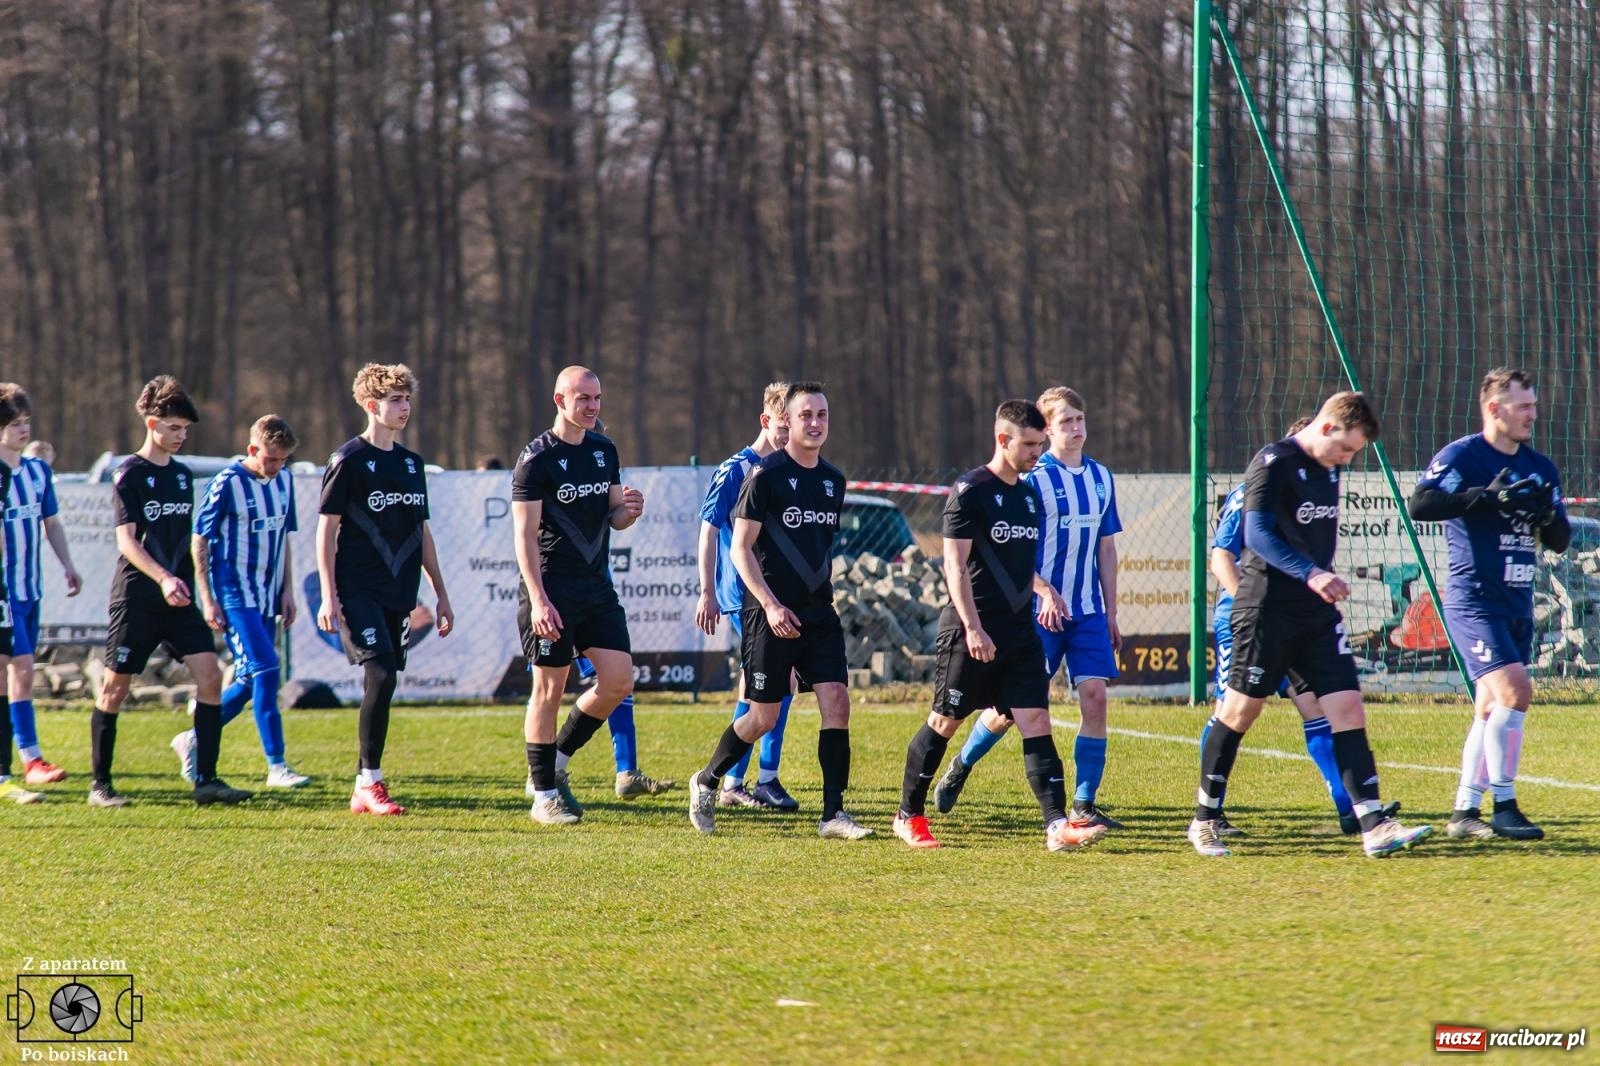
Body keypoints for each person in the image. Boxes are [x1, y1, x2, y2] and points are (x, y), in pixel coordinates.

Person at [1188, 391, 1432, 858]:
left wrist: (1319, 579)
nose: (1348, 459)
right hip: (1265, 611)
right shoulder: (1273, 461)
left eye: (1354, 452)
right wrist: (1312, 572)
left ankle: (1373, 825)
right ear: (1325, 427)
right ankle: (1204, 820)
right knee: (1240, 712)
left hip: (1316, 615)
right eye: (1345, 448)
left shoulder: (1331, 468)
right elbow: (1257, 534)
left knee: (1346, 710)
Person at [892, 400, 1107, 852]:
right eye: (1029, 444)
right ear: (1003, 440)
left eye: (1039, 443)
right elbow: (954, 564)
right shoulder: (970, 490)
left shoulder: (1029, 497)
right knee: (945, 721)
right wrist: (972, 628)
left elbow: (1023, 567)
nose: (1036, 452)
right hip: (970, 630)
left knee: (1035, 720)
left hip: (1019, 633)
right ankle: (908, 815)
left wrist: (1040, 594)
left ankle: (1056, 826)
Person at [686, 382, 871, 839]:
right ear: (786, 421)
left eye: (822, 415)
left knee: (837, 702)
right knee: (762, 717)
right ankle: (708, 780)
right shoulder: (763, 477)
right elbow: (741, 550)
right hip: (767, 615)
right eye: (806, 414)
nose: (815, 423)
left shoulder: (834, 480)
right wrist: (769, 605)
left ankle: (833, 815)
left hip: (817, 613)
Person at [933, 386, 1123, 827]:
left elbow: (1107, 551)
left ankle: (1083, 805)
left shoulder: (1101, 478)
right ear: (1046, 429)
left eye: (1080, 419)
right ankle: (961, 764)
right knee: (1008, 711)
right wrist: (1042, 591)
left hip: (1087, 611)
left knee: (1094, 698)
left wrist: (1111, 612)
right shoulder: (1033, 480)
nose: (1076, 429)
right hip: (1036, 614)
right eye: (1065, 422)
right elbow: (1011, 555)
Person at [1409, 367, 1569, 841]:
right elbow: (1420, 505)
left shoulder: (1540, 466)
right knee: (1516, 691)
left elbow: (1558, 539)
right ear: (1494, 409)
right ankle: (1504, 804)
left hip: (1516, 601)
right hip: (1472, 598)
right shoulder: (1463, 455)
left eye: (1534, 405)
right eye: (1523, 406)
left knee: (1488, 707)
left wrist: (1545, 514)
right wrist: (1484, 498)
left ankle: (1463, 811)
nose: (1532, 414)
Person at [93, 376, 249, 808]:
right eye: (174, 428)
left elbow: (185, 540)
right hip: (138, 597)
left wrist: (192, 587)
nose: (181, 437)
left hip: (177, 599)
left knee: (211, 677)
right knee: (114, 689)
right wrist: (162, 577)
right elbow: (127, 541)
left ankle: (208, 780)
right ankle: (101, 786)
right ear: (151, 423)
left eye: (185, 430)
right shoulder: (130, 474)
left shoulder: (182, 477)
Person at [317, 363, 455, 816]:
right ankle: (371, 782)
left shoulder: (412, 464)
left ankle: (362, 783)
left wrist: (440, 592)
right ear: (372, 406)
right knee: (380, 674)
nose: (405, 408)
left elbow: (422, 533)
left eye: (407, 399)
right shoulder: (348, 460)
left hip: (400, 591)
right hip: (357, 589)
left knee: (386, 680)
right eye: (396, 400)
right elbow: (326, 531)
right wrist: (327, 594)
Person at [512, 366, 643, 825]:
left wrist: (629, 510)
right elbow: (524, 537)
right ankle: (543, 795)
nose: (592, 406)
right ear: (559, 400)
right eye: (583, 398)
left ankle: (557, 759)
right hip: (551, 590)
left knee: (618, 681)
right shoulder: (535, 459)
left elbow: (615, 517)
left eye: (597, 398)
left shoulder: (604, 449)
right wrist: (539, 599)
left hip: (596, 590)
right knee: (547, 689)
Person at [174, 414, 309, 790]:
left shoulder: (284, 481)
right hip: (235, 595)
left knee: (251, 678)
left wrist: (288, 589)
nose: (277, 466)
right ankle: (277, 765)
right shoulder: (227, 483)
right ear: (252, 450)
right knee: (267, 668)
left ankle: (195, 737)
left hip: (268, 595)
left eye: (283, 460)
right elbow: (199, 539)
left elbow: (284, 539)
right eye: (271, 459)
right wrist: (207, 597)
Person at [693, 381, 799, 810]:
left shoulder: (788, 470)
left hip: (775, 593)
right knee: (780, 684)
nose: (788, 435)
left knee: (758, 690)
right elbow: (709, 530)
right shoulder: (736, 469)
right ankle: (755, 779)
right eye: (781, 426)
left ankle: (738, 780)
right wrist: (707, 592)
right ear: (765, 421)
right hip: (744, 596)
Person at [0, 384, 82, 787]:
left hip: (31, 589)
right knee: (23, 668)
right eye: (15, 424)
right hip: (5, 591)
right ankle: (31, 758)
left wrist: (68, 565)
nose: (24, 430)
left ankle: (11, 763)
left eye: (27, 422)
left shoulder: (36, 472)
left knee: (8, 673)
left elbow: (50, 523)